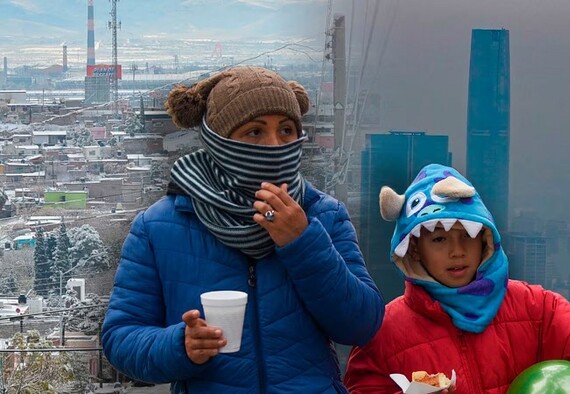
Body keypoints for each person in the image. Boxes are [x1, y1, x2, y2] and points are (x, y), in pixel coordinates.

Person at [101, 66, 384, 393]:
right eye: (255, 132)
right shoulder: (159, 227)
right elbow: (120, 338)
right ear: (219, 141)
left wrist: (303, 243)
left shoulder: (324, 215)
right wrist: (181, 345)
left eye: (287, 130)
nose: (275, 145)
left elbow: (362, 325)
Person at [343, 163, 570, 393]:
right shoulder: (383, 333)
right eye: (439, 240)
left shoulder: (533, 307)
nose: (457, 252)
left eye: (468, 235)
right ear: (415, 250)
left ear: (486, 240)